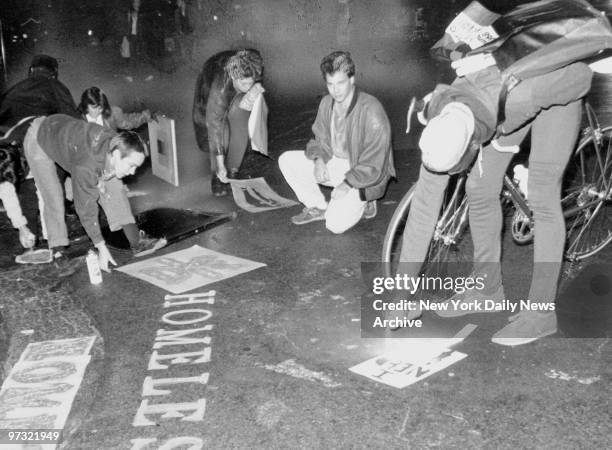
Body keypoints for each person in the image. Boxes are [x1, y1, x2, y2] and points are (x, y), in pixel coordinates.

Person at [399, 0, 610, 345]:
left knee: (541, 195)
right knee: (479, 186)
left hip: (552, 93)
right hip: (496, 103)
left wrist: (521, 145)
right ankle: (486, 288)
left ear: (470, 146)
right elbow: (423, 212)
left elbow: (580, 78)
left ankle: (541, 312)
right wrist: (399, 295)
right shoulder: (439, 110)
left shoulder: (524, 95)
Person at [22, 114, 165, 271]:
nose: (132, 172)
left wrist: (105, 182)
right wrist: (101, 247)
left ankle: (136, 241)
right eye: (131, 165)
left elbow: (111, 187)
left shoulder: (114, 142)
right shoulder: (86, 166)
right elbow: (85, 208)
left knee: (114, 186)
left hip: (64, 133)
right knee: (54, 197)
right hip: (38, 138)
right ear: (116, 155)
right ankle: (57, 252)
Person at [278, 51, 395, 234]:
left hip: (364, 175)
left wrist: (346, 185)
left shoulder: (372, 110)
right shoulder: (327, 103)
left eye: (340, 83)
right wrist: (318, 161)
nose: (335, 90)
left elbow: (374, 164)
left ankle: (365, 203)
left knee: (334, 225)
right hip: (338, 165)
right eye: (330, 84)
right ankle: (318, 206)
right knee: (286, 159)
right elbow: (320, 139)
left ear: (352, 79)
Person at [0, 54, 80, 249]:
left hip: (14, 147)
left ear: (31, 71)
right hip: (43, 141)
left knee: (28, 190)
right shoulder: (55, 86)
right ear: (55, 73)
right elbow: (72, 119)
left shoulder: (14, 90)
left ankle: (30, 238)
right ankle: (54, 241)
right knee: (52, 188)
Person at [73, 86, 160, 255]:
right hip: (88, 165)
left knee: (118, 196)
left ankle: (136, 242)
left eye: (100, 108)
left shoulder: (111, 114)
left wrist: (146, 115)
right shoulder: (77, 121)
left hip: (111, 163)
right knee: (88, 199)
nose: (97, 112)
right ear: (85, 106)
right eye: (93, 108)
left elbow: (128, 121)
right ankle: (98, 236)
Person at [193, 49, 267, 196]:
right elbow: (215, 128)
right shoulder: (219, 90)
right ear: (234, 77)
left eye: (250, 83)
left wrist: (255, 90)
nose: (247, 87)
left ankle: (233, 171)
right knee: (222, 132)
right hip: (210, 89)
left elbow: (252, 82)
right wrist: (220, 165)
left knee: (240, 120)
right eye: (244, 83)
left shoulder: (253, 69)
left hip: (236, 89)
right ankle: (217, 175)